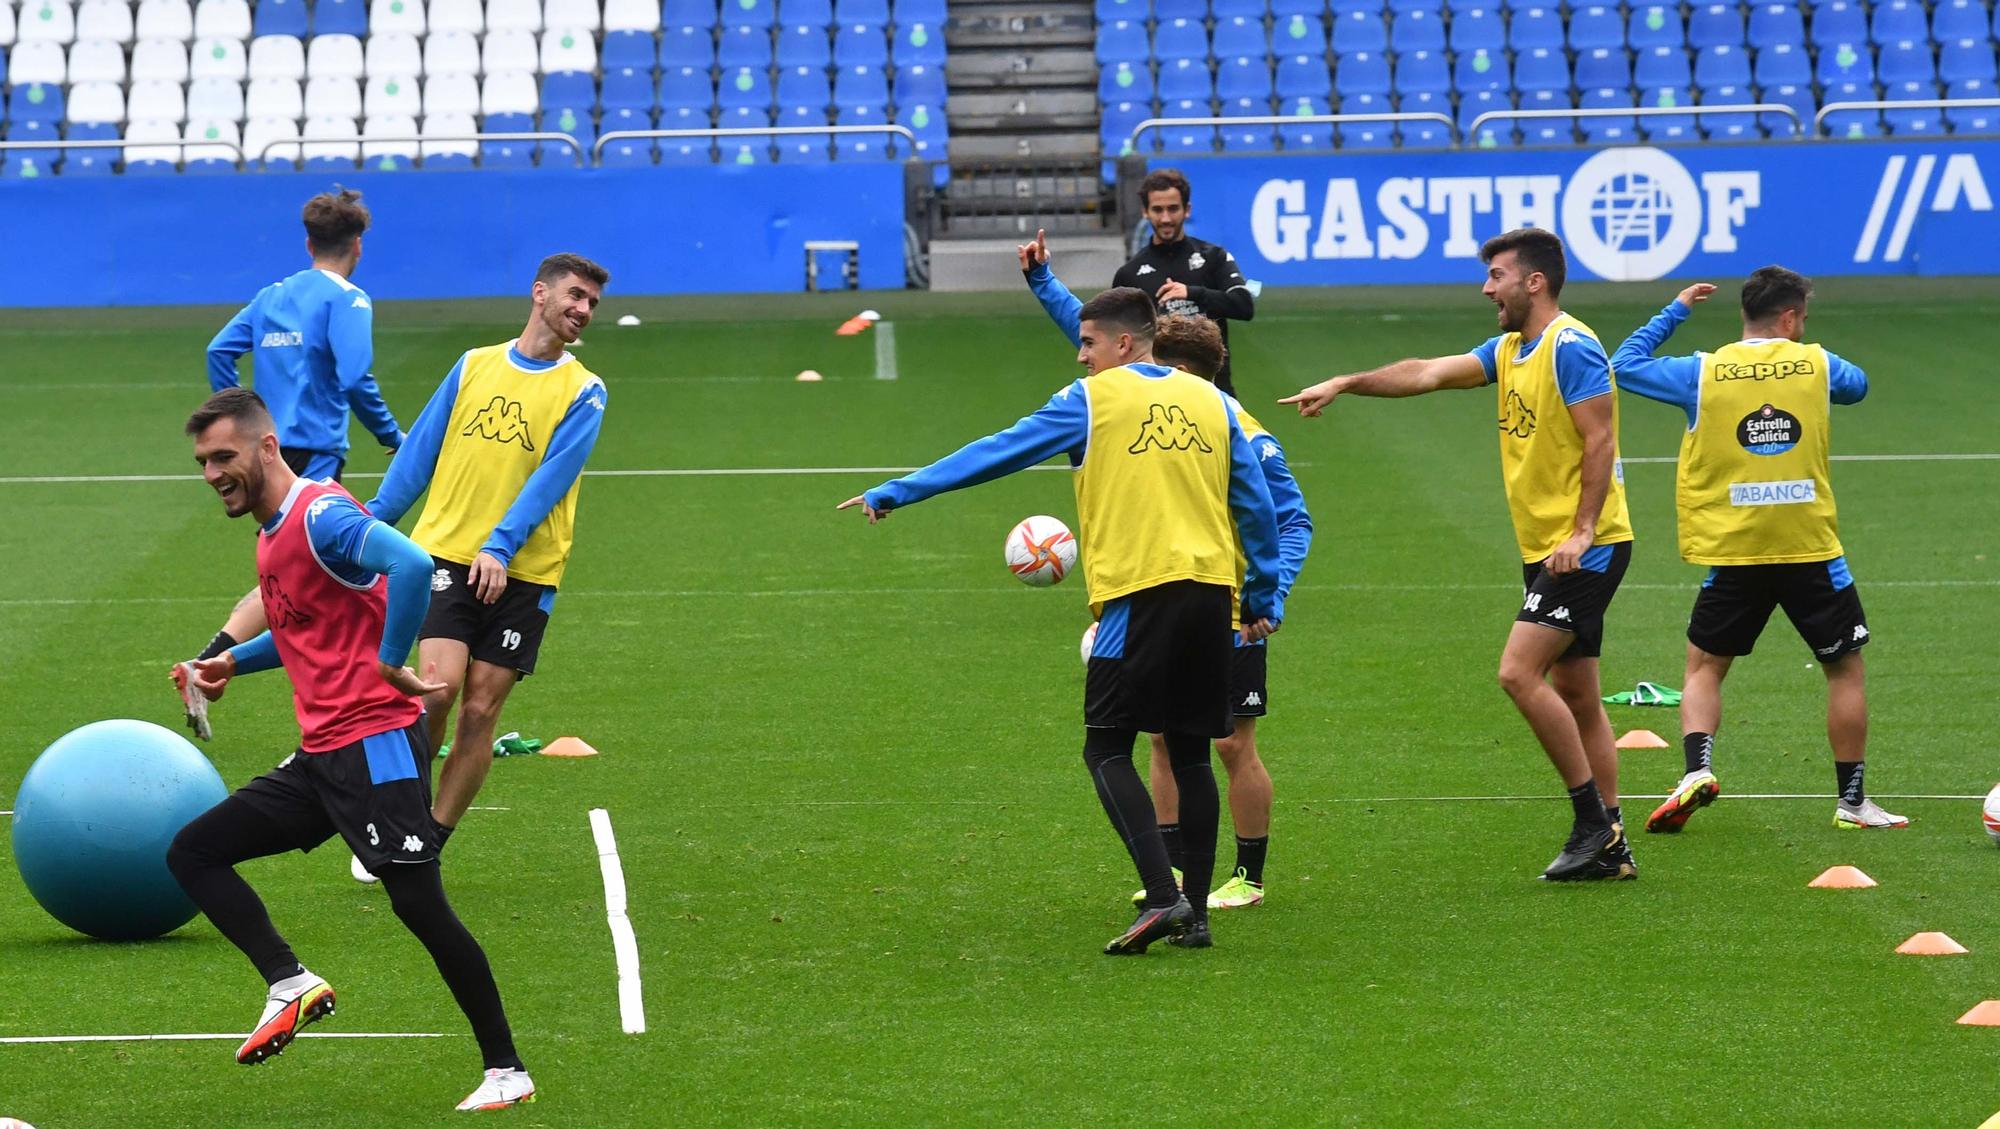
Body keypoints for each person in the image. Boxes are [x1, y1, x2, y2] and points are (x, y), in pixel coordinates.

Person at [838, 287, 1285, 953]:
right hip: (1210, 595)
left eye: (1089, 343)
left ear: (1125, 343)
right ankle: (1197, 915)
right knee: (1190, 753)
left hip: (1137, 594)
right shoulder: (1214, 402)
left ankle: (1164, 897)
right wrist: (1262, 595)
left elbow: (998, 450)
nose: (1081, 356)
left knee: (1105, 746)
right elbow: (1254, 502)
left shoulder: (1092, 401)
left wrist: (896, 490)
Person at [167, 388, 535, 1112]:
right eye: (204, 461)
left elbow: (408, 561)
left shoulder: (322, 514)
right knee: (194, 851)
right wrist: (232, 662)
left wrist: (393, 658)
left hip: (376, 745)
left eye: (224, 455)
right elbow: (305, 627)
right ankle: (289, 980)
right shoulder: (273, 532)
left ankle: (507, 1067)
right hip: (324, 755)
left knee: (420, 905)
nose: (212, 472)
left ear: (266, 446)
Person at [1279, 227, 1639, 882]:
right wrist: (1348, 381)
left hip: (1587, 546)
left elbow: (1600, 440)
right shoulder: (1511, 349)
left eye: (1496, 275)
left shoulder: (1573, 346)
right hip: (1546, 547)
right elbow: (1425, 372)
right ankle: (1611, 845)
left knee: (1517, 672)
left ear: (1534, 281)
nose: (1485, 287)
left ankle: (1593, 821)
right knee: (1577, 691)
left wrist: (1583, 530)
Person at [1014, 236, 1312, 909]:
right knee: (1164, 736)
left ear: (1179, 368)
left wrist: (1268, 598)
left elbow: (1290, 520)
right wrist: (1044, 283)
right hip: (1169, 593)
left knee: (1230, 744)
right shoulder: (1147, 388)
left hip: (1228, 605)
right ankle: (1176, 878)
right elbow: (1105, 344)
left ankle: (1249, 875)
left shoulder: (1238, 425)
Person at [1611, 268, 1905, 833]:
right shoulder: (1816, 363)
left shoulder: (1702, 371)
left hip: (1735, 550)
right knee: (1844, 670)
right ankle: (1853, 802)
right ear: (1791, 317)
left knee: (1704, 668)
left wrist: (1674, 311)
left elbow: (1623, 364)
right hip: (1810, 547)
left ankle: (1696, 770)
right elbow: (1858, 386)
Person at [364, 253, 610, 882]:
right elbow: (419, 451)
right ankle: (398, 816)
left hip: (526, 570)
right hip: (445, 550)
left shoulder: (584, 390)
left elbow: (552, 479)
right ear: (540, 294)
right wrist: (369, 524)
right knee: (434, 691)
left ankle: (426, 841)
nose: (583, 311)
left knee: (480, 710)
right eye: (575, 296)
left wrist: (501, 546)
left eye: (592, 304)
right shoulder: (475, 365)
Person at [176, 188, 405, 743]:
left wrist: (242, 426)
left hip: (269, 454)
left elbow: (218, 353)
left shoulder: (272, 295)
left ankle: (206, 666)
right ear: (358, 244)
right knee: (342, 579)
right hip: (315, 458)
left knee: (288, 575)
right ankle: (341, 718)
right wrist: (393, 436)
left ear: (308, 242)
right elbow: (354, 378)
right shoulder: (348, 299)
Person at [1025, 168, 1256, 397]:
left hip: (1214, 393)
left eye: (1173, 209)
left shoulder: (1212, 257)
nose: (1165, 218)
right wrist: (1042, 279)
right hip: (1153, 401)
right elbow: (1103, 335)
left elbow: (1244, 305)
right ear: (1145, 212)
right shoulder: (1130, 273)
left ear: (1187, 210)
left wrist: (1192, 293)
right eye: (1158, 209)